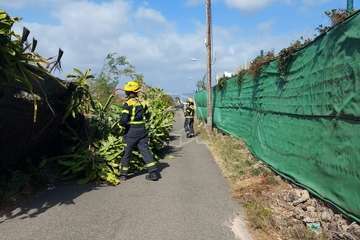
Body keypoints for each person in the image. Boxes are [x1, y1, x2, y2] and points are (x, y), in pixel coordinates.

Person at [119, 81, 160, 181]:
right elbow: (148, 115)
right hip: (142, 130)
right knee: (145, 151)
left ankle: (123, 175)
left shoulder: (127, 104)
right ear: (136, 92)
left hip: (131, 131)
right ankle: (153, 173)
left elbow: (123, 120)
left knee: (127, 152)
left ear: (128, 93)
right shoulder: (142, 103)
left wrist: (122, 125)